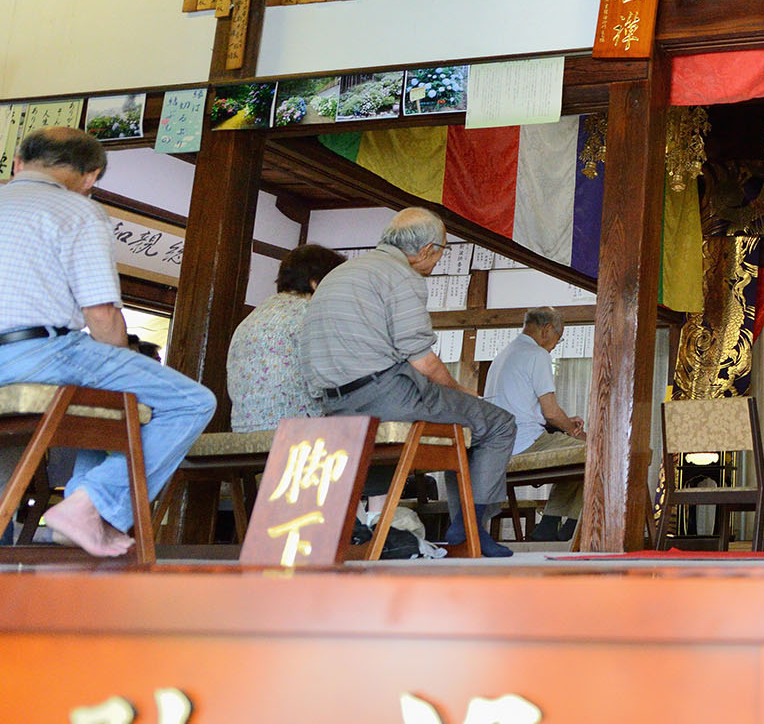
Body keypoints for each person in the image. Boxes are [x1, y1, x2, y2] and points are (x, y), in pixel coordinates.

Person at [0, 127, 215, 557]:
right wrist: (121, 366)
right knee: (192, 401)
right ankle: (92, 504)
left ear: (19, 163)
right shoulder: (76, 211)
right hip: (37, 354)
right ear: (90, 176)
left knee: (107, 395)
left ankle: (84, 507)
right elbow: (101, 316)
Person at [299, 208, 517, 556]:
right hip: (386, 395)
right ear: (429, 249)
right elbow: (424, 362)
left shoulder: (340, 274)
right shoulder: (401, 276)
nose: (437, 260)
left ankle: (458, 528)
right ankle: (471, 530)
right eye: (441, 252)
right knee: (497, 422)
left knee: (461, 422)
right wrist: (461, 391)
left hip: (332, 403)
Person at [484, 307, 587, 542]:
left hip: (500, 444)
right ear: (547, 330)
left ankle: (550, 526)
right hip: (524, 442)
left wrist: (565, 424)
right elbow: (550, 412)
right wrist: (573, 430)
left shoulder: (504, 354)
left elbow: (526, 407)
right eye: (557, 341)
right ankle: (571, 528)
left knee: (574, 449)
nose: (553, 347)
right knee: (593, 453)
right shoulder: (537, 354)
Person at [226, 244, 346, 431]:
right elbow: (325, 383)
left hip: (243, 430)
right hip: (295, 434)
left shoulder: (254, 316)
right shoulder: (311, 313)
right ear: (315, 283)